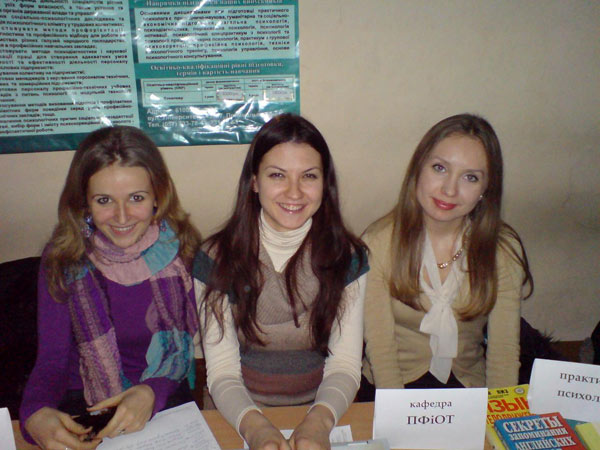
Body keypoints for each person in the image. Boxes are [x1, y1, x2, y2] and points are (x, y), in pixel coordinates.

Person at [193, 113, 368, 450]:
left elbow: (345, 365)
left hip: (325, 407)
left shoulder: (348, 257)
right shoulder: (216, 258)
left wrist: (318, 422)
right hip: (236, 413)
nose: (294, 192)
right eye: (277, 175)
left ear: (325, 183)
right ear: (254, 181)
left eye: (309, 176)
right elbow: (223, 371)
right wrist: (257, 429)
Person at [20, 126, 201, 449]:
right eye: (104, 200)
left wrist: (151, 392)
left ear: (157, 196)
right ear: (84, 203)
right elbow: (51, 361)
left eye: (136, 198)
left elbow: (182, 352)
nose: (121, 217)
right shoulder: (63, 257)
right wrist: (34, 413)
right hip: (88, 399)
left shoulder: (182, 249)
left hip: (164, 392)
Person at [362, 113, 533, 392]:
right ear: (418, 168)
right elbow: (380, 348)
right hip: (392, 385)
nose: (449, 190)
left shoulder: (502, 249)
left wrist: (499, 412)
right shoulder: (378, 242)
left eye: (470, 177)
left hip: (468, 384)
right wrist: (398, 411)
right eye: (439, 168)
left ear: (485, 189)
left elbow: (503, 351)